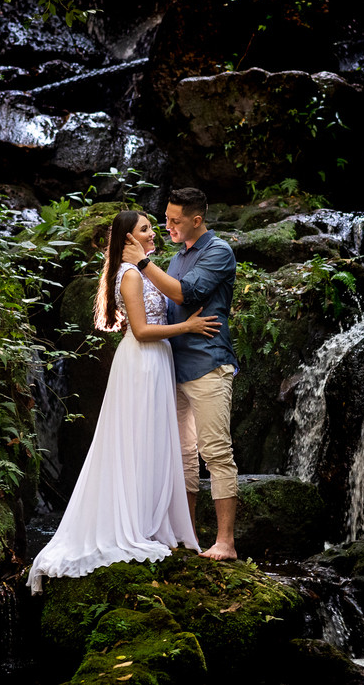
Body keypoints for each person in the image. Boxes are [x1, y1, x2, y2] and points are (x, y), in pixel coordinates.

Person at [27, 210, 220, 594]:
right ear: (128, 239)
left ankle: (149, 518)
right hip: (142, 362)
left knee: (152, 441)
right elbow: (142, 329)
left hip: (159, 361)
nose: (154, 233)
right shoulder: (129, 276)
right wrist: (188, 327)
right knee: (135, 440)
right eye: (145, 229)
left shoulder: (146, 270)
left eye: (150, 227)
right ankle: (129, 523)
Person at [122, 188, 239, 561]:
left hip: (208, 364)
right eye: (166, 219)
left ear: (196, 220)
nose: (167, 226)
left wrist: (141, 263)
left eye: (175, 220)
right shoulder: (175, 258)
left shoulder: (218, 251)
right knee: (184, 456)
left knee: (215, 452)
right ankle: (186, 534)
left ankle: (226, 543)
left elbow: (186, 294)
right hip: (172, 367)